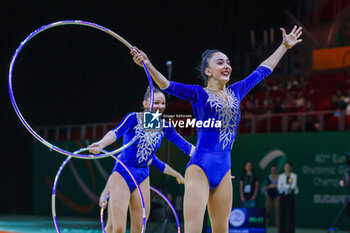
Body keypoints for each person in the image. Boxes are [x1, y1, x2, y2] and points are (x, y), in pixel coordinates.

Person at [132, 26, 302, 233]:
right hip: (200, 168)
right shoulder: (198, 94)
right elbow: (166, 85)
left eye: (228, 62)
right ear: (208, 71)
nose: (227, 65)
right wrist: (147, 64)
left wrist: (284, 46)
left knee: (222, 230)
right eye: (220, 62)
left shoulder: (237, 91)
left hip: (224, 169)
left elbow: (263, 69)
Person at [88, 87, 195, 233]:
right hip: (122, 172)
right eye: (156, 103)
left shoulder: (164, 127)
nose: (160, 107)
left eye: (163, 103)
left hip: (142, 175)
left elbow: (186, 147)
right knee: (118, 228)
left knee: (139, 229)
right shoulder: (133, 118)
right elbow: (115, 132)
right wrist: (101, 144)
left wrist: (209, 155)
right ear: (145, 103)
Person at [278, 162, 298, 233]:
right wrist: (287, 186)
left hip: (291, 196)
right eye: (285, 166)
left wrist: (284, 186)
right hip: (283, 196)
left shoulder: (294, 176)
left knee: (291, 214)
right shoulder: (281, 176)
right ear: (284, 168)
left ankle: (291, 231)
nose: (287, 168)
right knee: (282, 214)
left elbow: (293, 186)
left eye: (288, 166)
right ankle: (282, 231)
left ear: (290, 167)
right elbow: (279, 188)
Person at [264, 164, 280, 232]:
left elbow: (280, 186)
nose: (273, 170)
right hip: (269, 195)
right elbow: (266, 186)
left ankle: (278, 230)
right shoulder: (268, 177)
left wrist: (272, 186)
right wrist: (275, 186)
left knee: (277, 213)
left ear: (276, 169)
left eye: (274, 169)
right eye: (272, 169)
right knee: (267, 212)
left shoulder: (280, 177)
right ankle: (265, 228)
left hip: (277, 195)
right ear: (271, 169)